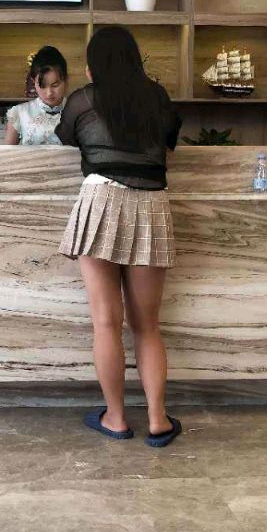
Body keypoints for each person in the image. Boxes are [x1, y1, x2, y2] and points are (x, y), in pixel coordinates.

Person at [55, 26, 182, 447]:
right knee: (148, 325)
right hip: (151, 205)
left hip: (101, 200)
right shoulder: (157, 97)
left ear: (93, 66)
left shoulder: (83, 100)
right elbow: (170, 140)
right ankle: (158, 420)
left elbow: (66, 137)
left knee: (107, 323)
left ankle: (115, 417)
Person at [4, 45, 68, 145]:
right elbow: (7, 153)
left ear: (66, 80)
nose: (49, 93)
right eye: (42, 86)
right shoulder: (19, 113)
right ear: (34, 82)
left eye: (55, 85)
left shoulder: (78, 112)